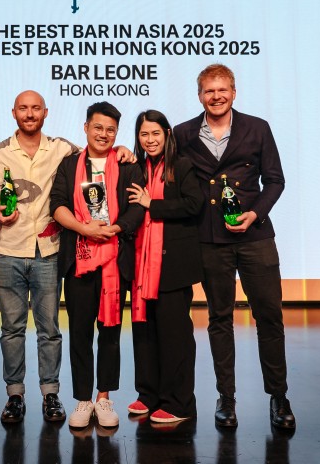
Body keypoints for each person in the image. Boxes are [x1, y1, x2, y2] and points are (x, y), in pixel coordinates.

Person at [173, 64, 296, 430]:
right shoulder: (181, 134)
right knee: (219, 320)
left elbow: (275, 180)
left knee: (269, 317)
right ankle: (226, 398)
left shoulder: (257, 128)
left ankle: (278, 397)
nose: (217, 96)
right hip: (210, 239)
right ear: (200, 95)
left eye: (222, 89)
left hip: (255, 237)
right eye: (209, 91)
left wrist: (254, 214)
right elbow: (162, 170)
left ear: (234, 91)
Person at [0, 90, 74, 424]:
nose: (29, 114)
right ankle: (14, 395)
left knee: (50, 329)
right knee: (12, 328)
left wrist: (119, 150)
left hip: (49, 250)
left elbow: (94, 157)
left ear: (45, 112)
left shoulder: (62, 149)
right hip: (8, 251)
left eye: (35, 108)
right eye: (23, 109)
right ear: (13, 113)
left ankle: (51, 395)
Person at [50, 101, 145, 429]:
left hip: (114, 262)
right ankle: (83, 400)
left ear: (115, 133)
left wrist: (115, 228)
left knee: (110, 331)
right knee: (78, 332)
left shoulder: (128, 165)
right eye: (98, 127)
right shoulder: (68, 165)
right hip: (79, 259)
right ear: (86, 128)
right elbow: (58, 205)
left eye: (110, 130)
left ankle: (104, 398)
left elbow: (137, 208)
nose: (103, 134)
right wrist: (84, 228)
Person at [125, 109, 204, 424]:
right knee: (145, 333)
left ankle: (179, 402)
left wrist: (151, 205)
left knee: (175, 336)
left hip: (172, 266)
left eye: (155, 133)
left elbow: (194, 204)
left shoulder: (181, 165)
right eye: (144, 134)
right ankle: (149, 395)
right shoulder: (136, 169)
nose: (150, 139)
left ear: (167, 134)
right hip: (140, 264)